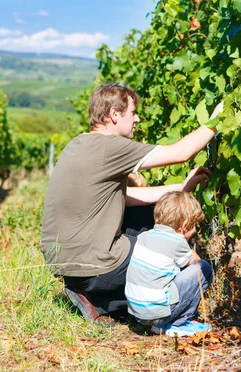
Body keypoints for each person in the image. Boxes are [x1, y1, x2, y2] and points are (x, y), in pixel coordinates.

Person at [40, 82, 223, 324]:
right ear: (114, 115)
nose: (137, 120)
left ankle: (98, 298)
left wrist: (180, 189)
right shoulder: (111, 146)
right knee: (163, 248)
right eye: (132, 113)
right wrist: (218, 118)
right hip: (92, 264)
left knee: (147, 213)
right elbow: (180, 153)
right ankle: (152, 312)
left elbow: (121, 199)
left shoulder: (79, 143)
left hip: (64, 261)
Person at [125, 191, 212, 336]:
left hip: (137, 313)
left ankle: (158, 323)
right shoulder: (177, 242)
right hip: (157, 313)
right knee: (203, 269)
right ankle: (178, 323)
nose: (195, 230)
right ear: (185, 225)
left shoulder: (144, 236)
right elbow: (195, 262)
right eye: (194, 225)